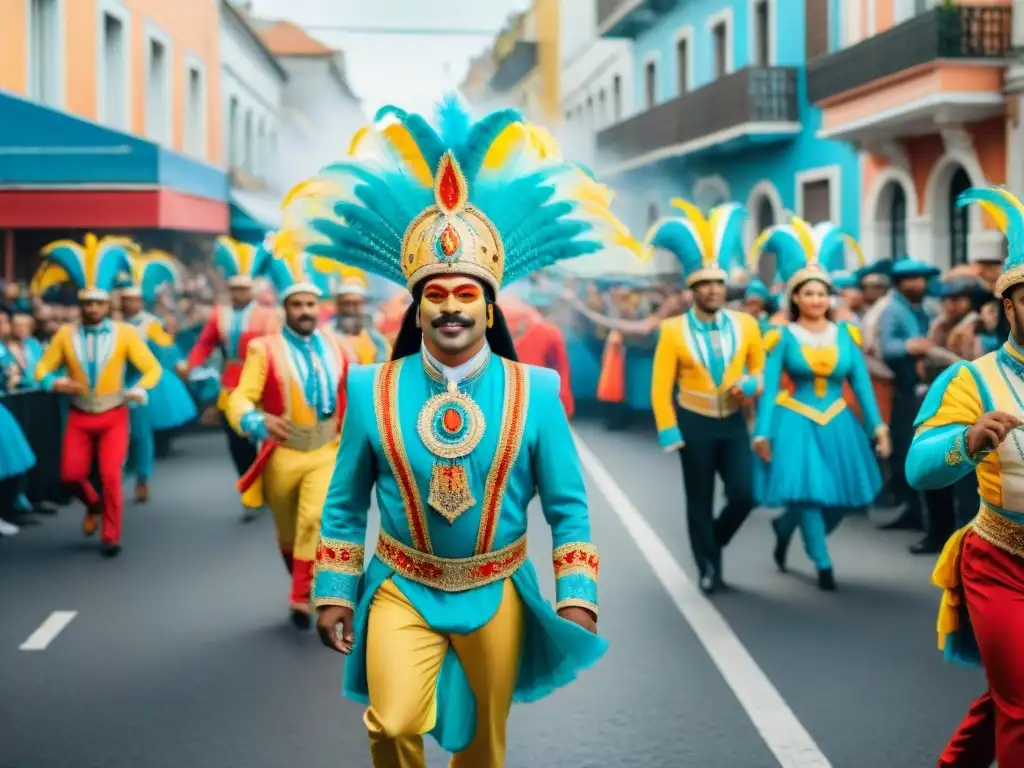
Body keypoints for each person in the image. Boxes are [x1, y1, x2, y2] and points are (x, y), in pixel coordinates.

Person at [298, 99, 619, 767]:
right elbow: (344, 502)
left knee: (483, 747)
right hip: (399, 583)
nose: (449, 306)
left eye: (464, 293)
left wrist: (577, 593)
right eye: (435, 294)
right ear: (416, 308)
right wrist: (332, 589)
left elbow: (567, 507)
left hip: (496, 587)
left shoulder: (537, 391)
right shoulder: (370, 388)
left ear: (488, 304)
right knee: (391, 724)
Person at [908, 186, 1024, 768]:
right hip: (1002, 559)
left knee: (1009, 697)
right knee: (1023, 704)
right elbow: (919, 469)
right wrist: (968, 440)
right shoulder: (970, 380)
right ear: (1009, 306)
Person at [749, 217, 891, 589]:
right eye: (808, 293)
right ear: (795, 298)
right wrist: (762, 433)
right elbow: (767, 384)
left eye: (822, 293)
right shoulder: (780, 335)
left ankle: (785, 525)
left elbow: (861, 384)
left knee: (843, 499)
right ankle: (822, 563)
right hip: (796, 420)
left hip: (839, 421)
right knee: (810, 496)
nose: (816, 300)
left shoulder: (846, 333)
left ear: (830, 297)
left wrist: (879, 426)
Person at [227, 247, 349, 628]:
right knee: (287, 531)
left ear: (319, 305)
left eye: (310, 303)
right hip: (283, 451)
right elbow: (240, 397)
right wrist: (256, 421)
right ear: (286, 308)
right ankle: (300, 577)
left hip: (327, 449)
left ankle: (300, 597)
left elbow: (359, 390)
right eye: (297, 304)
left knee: (314, 519)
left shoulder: (338, 345)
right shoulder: (263, 349)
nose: (305, 311)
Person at [649, 199, 764, 595]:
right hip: (693, 423)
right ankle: (708, 568)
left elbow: (759, 372)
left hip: (733, 422)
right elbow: (660, 387)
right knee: (698, 500)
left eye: (718, 284)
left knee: (745, 495)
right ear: (693, 289)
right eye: (705, 285)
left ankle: (713, 542)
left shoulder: (748, 325)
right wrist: (669, 430)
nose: (714, 290)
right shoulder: (672, 330)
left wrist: (750, 385)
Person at [33, 234, 162, 557]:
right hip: (79, 413)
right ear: (81, 304)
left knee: (109, 474)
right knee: (71, 475)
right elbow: (41, 369)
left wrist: (138, 389)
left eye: (98, 302)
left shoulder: (126, 334)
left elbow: (152, 369)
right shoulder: (65, 334)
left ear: (108, 304)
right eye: (87, 303)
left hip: (114, 411)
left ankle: (111, 535)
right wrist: (53, 383)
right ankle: (94, 505)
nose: (92, 308)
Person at [178, 236, 277, 519]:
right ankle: (249, 491)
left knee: (267, 436)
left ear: (252, 290)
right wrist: (190, 363)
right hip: (232, 384)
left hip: (264, 381)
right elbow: (204, 344)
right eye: (234, 289)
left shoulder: (268, 315)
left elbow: (277, 349)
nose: (239, 294)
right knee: (236, 441)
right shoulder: (219, 315)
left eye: (244, 289)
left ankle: (270, 484)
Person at [119, 251, 197, 502]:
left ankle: (142, 478)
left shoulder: (150, 324)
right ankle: (116, 477)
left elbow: (165, 345)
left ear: (141, 301)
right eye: (126, 300)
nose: (131, 305)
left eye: (135, 300)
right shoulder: (114, 326)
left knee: (141, 433)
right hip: (115, 384)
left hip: (143, 382)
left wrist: (167, 331)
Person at [326, 268, 392, 364]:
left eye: (356, 303)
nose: (351, 309)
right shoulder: (327, 336)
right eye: (346, 303)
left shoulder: (377, 341)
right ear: (337, 305)